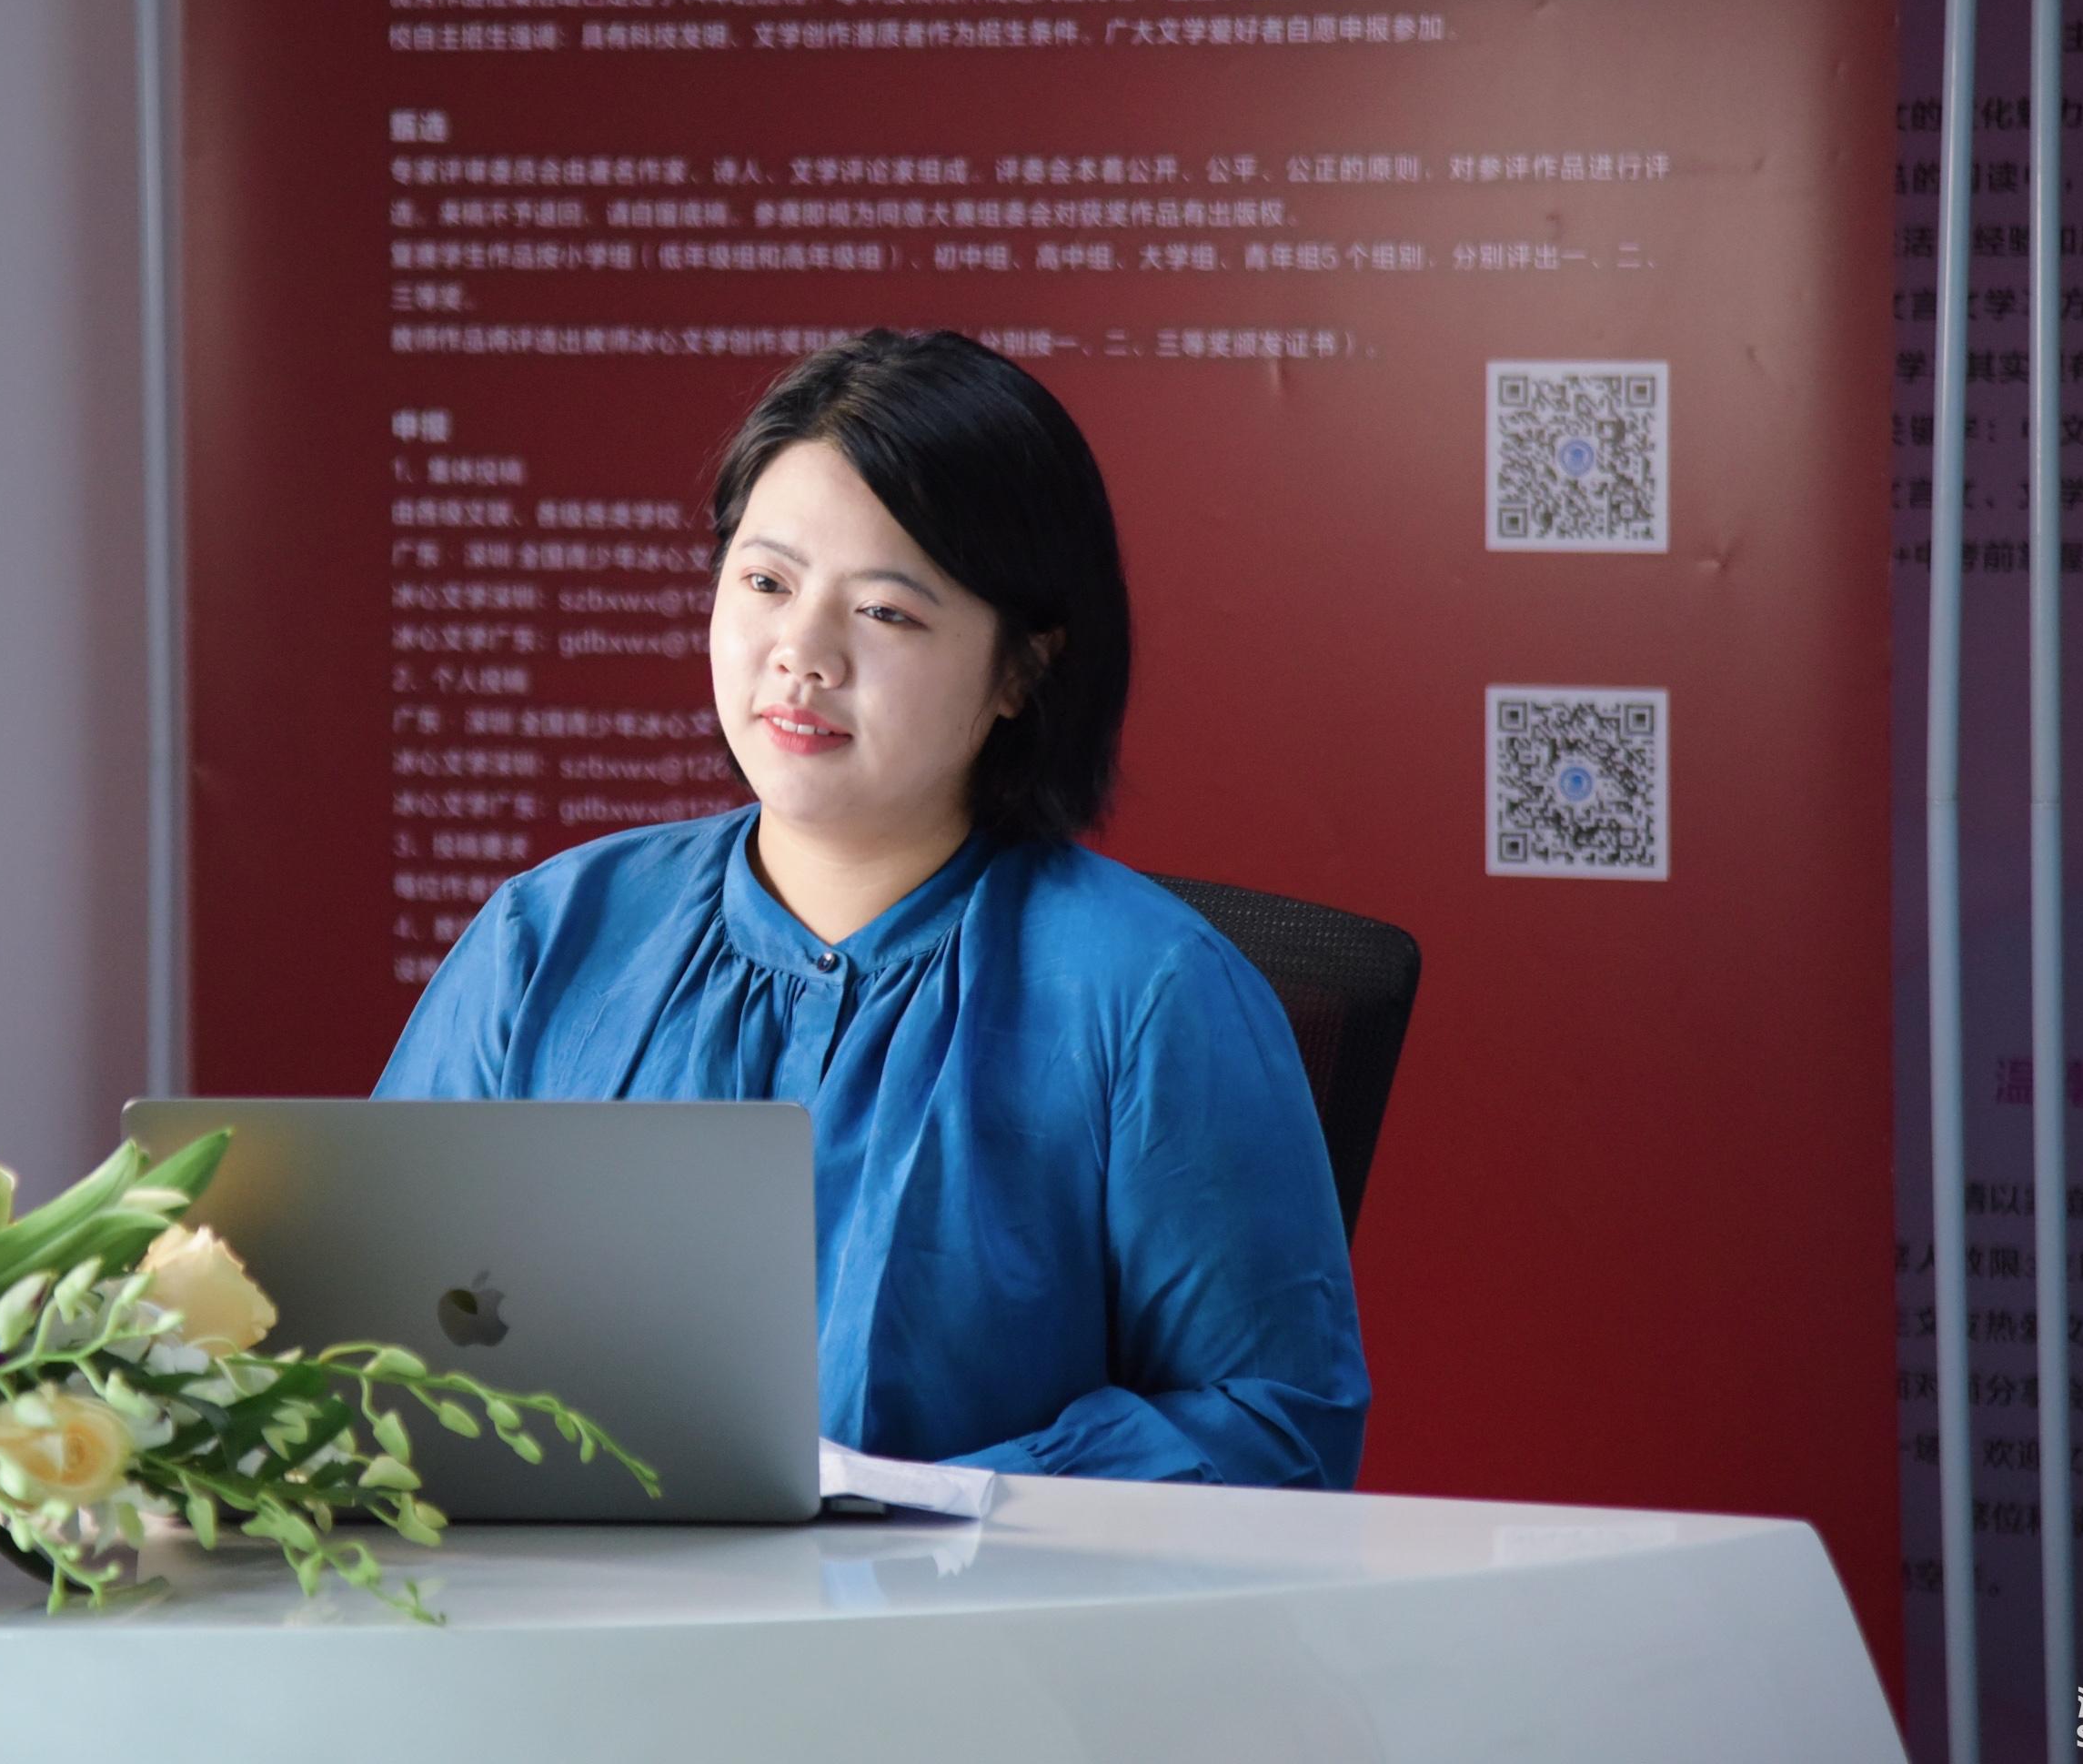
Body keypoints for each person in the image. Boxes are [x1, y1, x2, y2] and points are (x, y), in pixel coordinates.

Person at [376, 329, 1367, 1487]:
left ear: (1021, 668)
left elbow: (1272, 1425)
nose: (801, 655)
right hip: (556, 1584)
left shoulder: (1150, 995)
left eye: (885, 612)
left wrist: (928, 1505)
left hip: (971, 1604)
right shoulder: (544, 936)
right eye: (765, 583)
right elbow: (367, 1330)